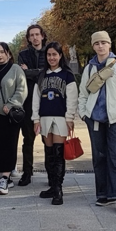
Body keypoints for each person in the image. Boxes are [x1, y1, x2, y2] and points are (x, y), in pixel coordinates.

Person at [78, 31, 116, 215]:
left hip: (115, 120)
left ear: (109, 45)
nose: (100, 46)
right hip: (95, 119)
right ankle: (102, 193)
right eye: (97, 43)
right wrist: (84, 114)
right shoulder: (89, 69)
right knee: (99, 158)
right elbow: (83, 94)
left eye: (104, 42)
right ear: (93, 46)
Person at [32, 41, 78, 205]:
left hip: (60, 118)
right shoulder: (42, 75)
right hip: (44, 118)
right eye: (49, 54)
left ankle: (58, 189)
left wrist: (70, 118)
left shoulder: (67, 75)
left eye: (55, 54)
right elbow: (36, 98)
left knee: (58, 154)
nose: (52, 57)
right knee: (49, 153)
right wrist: (35, 119)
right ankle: (52, 185)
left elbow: (72, 98)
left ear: (60, 56)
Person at [0, 41, 27, 195]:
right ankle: (5, 176)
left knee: (9, 144)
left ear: (9, 54)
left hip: (9, 115)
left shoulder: (15, 69)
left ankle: (5, 177)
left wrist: (10, 104)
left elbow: (22, 90)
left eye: (2, 52)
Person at [16, 24, 48, 186]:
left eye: (37, 34)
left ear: (42, 36)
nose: (35, 37)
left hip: (47, 101)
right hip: (28, 102)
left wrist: (32, 71)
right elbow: (22, 75)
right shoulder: (22, 54)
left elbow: (49, 73)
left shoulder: (50, 52)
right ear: (28, 38)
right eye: (32, 35)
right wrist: (40, 71)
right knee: (28, 139)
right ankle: (27, 172)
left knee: (48, 139)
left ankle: (52, 173)